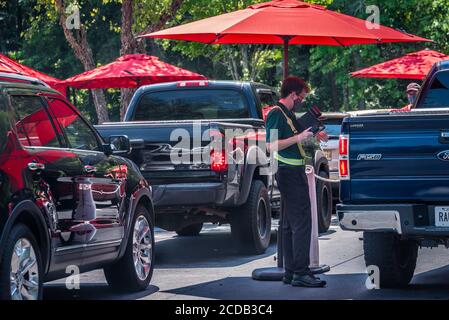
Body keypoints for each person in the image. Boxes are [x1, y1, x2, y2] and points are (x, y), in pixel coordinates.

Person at [265, 76, 327, 288]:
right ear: (293, 94)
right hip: (288, 172)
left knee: (291, 224)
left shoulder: (288, 115)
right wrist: (299, 138)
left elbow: (294, 139)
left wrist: (312, 136)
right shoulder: (276, 113)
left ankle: (291, 272)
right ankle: (301, 272)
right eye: (301, 96)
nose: (302, 100)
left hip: (293, 170)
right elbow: (271, 145)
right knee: (302, 222)